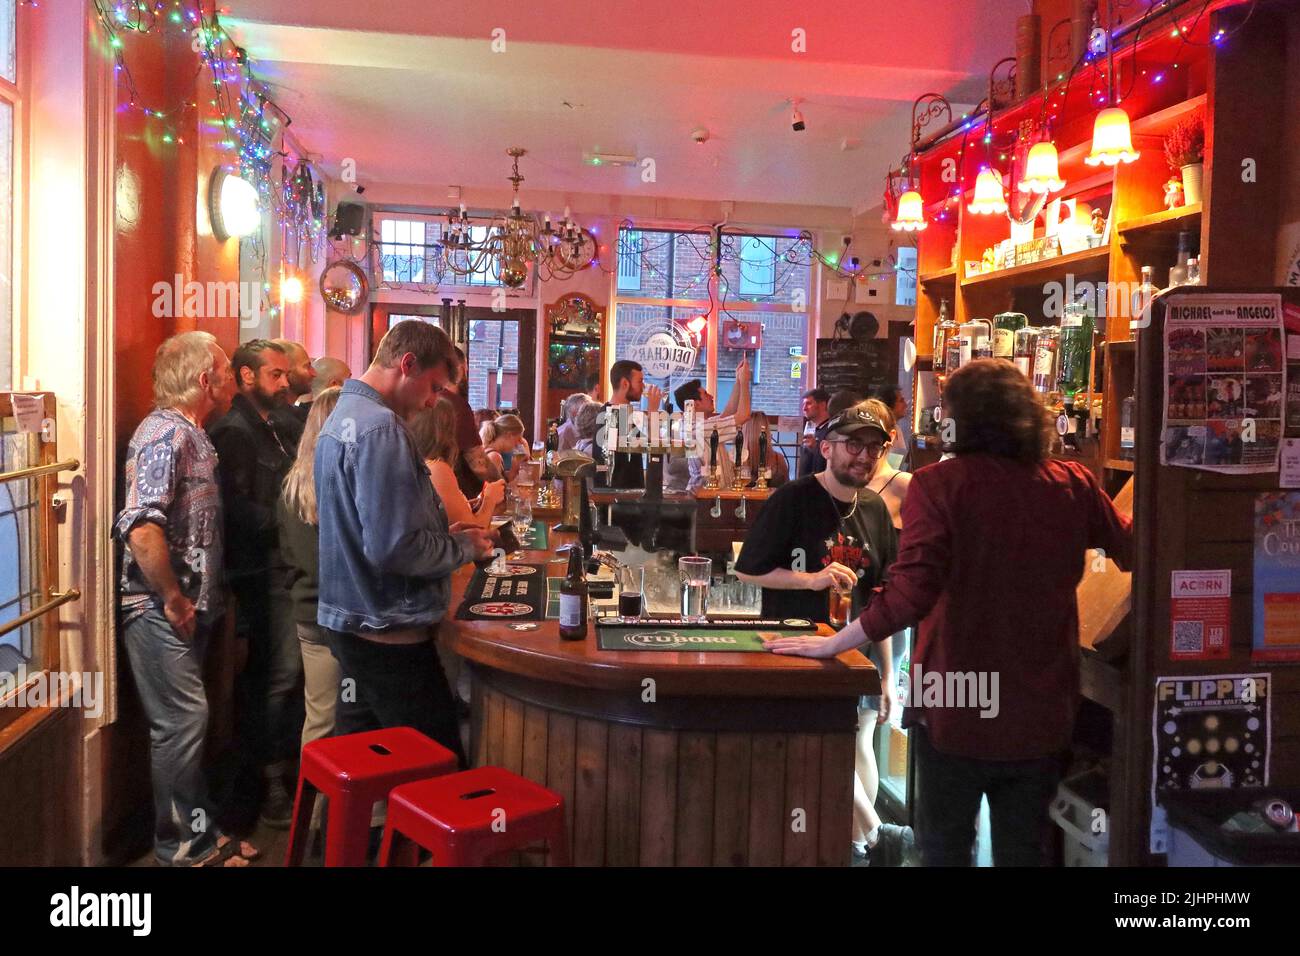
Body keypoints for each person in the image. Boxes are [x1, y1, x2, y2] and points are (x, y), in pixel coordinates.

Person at [766, 359, 1134, 867]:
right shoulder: (1071, 482)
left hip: (956, 705)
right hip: (1042, 706)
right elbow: (1135, 548)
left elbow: (910, 593)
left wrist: (834, 642)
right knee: (1025, 852)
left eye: (943, 408)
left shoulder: (940, 485)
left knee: (943, 851)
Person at [314, 320, 493, 761]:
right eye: (433, 387)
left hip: (350, 622)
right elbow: (392, 548)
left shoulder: (343, 413)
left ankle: (353, 833)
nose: (434, 401)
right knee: (442, 767)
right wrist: (464, 548)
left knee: (361, 763)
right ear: (407, 364)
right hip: (386, 632)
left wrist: (439, 536)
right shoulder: (383, 428)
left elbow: (368, 530)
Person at [115, 331, 259, 866]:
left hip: (186, 611)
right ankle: (180, 846)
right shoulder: (163, 434)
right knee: (183, 722)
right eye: (225, 369)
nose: (232, 378)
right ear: (205, 380)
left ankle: (200, 833)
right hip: (156, 610)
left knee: (191, 723)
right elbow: (141, 526)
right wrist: (174, 599)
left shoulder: (195, 434)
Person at [735, 401, 901, 862]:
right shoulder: (793, 499)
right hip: (798, 649)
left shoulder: (875, 510)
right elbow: (747, 571)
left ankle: (855, 848)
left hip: (859, 654)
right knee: (828, 745)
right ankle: (877, 837)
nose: (864, 457)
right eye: (853, 445)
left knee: (861, 745)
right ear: (826, 448)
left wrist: (887, 674)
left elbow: (881, 599)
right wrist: (811, 578)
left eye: (874, 447)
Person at [206, 338, 301, 829]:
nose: (285, 382)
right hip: (261, 574)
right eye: (276, 374)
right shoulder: (233, 431)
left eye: (286, 374)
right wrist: (294, 525)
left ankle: (280, 772)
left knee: (286, 676)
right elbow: (232, 510)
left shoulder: (273, 424)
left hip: (283, 568)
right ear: (246, 376)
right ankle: (268, 783)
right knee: (275, 676)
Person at [278, 385, 343, 755]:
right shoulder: (344, 479)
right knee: (351, 723)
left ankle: (316, 812)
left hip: (311, 614)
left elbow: (295, 559)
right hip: (345, 618)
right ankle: (359, 812)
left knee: (321, 720)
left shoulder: (293, 485)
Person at [409, 398, 507, 529]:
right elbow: (473, 530)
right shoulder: (437, 468)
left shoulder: (419, 462)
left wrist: (470, 504)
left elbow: (446, 517)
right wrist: (490, 499)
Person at [673, 354, 752, 491]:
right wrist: (745, 383)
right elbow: (743, 415)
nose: (711, 397)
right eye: (705, 395)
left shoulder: (698, 424)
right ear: (696, 404)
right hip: (706, 496)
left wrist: (738, 382)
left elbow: (728, 414)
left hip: (710, 493)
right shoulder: (698, 428)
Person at [447, 346, 504, 499]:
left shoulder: (417, 402)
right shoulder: (456, 405)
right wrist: (503, 488)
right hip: (459, 497)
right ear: (458, 369)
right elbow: (479, 464)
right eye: (466, 370)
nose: (466, 376)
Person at [608, 359, 661, 488]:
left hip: (630, 495)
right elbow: (653, 446)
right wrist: (653, 412)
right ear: (625, 384)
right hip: (619, 496)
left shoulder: (627, 414)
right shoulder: (612, 414)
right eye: (640, 381)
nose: (643, 386)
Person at [270, 339, 317, 442]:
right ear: (285, 370)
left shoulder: (298, 416)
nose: (314, 373)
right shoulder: (282, 424)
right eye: (307, 366)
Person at [739, 411, 789, 487]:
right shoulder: (778, 459)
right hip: (775, 498)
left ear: (745, 432)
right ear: (767, 432)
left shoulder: (737, 460)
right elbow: (787, 490)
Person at [480, 413, 528, 484]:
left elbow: (503, 482)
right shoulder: (494, 456)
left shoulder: (491, 451)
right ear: (509, 435)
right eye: (518, 439)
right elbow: (497, 489)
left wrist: (514, 468)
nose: (518, 444)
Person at [871, 384, 911, 467]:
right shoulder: (876, 431)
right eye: (901, 400)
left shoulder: (897, 429)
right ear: (888, 405)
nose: (905, 405)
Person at [797, 387, 831, 478]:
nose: (804, 408)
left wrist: (816, 448)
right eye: (803, 404)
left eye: (808, 404)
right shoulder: (815, 430)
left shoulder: (832, 432)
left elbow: (835, 463)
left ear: (823, 405)